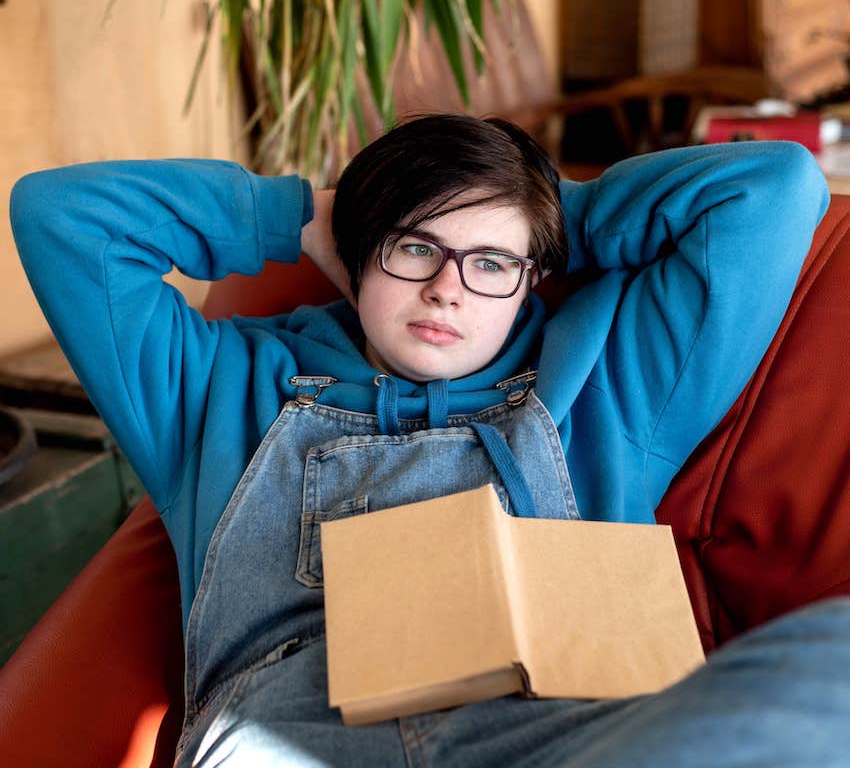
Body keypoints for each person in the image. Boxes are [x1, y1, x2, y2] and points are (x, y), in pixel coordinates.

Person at [10, 114, 848, 767]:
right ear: (359, 252)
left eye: (489, 265)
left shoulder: (606, 382)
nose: (449, 290)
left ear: (531, 278)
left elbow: (772, 189)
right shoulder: (218, 386)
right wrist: (304, 218)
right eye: (417, 247)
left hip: (551, 733)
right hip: (301, 732)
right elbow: (64, 215)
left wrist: (545, 218)